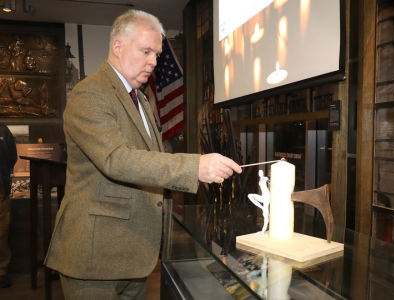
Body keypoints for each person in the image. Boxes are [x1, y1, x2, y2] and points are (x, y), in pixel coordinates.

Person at [44, 9, 242, 300]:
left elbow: (147, 161)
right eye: (146, 51)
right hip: (94, 257)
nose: (153, 62)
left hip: (134, 254)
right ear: (117, 47)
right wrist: (194, 167)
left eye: (157, 54)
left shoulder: (142, 99)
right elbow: (117, 159)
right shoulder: (90, 94)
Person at [0, 123, 17, 288]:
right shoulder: (3, 130)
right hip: (0, 189)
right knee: (1, 233)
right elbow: (12, 157)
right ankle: (1, 273)